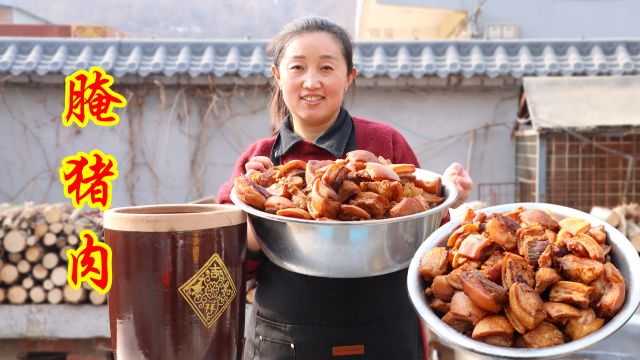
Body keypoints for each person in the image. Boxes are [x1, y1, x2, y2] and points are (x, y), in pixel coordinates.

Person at [217, 16, 472, 360]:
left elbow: (429, 244)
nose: (312, 81)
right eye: (297, 68)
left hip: (386, 330)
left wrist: (451, 200)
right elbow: (225, 270)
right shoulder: (259, 162)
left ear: (349, 76)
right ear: (278, 77)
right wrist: (254, 215)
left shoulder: (384, 144)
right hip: (287, 336)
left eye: (326, 67)